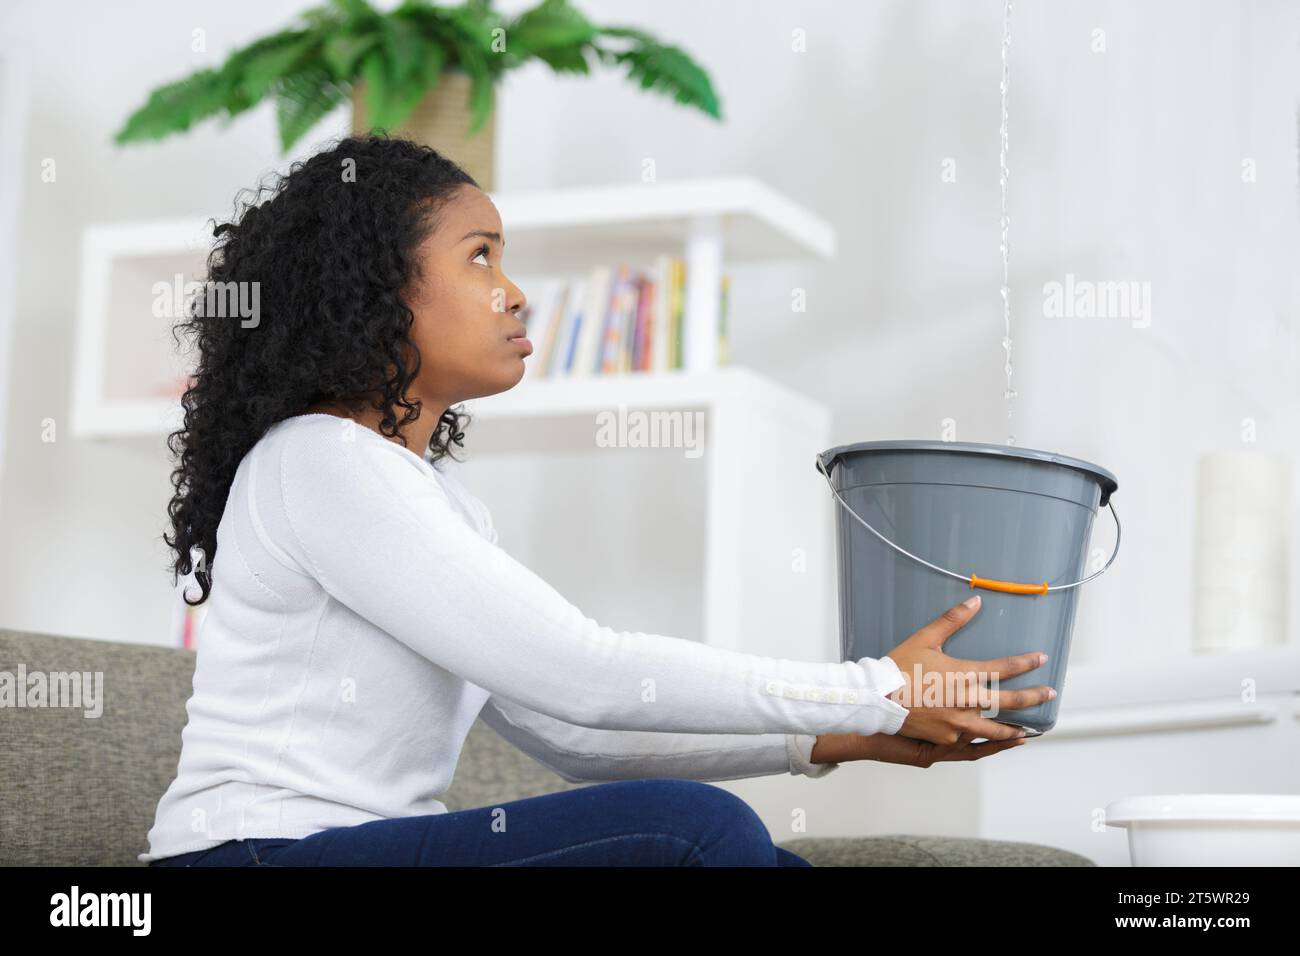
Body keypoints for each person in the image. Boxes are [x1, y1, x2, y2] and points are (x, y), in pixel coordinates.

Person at [144, 135, 1050, 868]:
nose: (515, 292)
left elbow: (574, 734)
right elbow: (583, 671)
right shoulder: (318, 461)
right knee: (691, 831)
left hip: (349, 853)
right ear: (379, 289)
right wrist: (873, 690)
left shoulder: (440, 504)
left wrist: (829, 740)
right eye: (480, 257)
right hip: (253, 853)